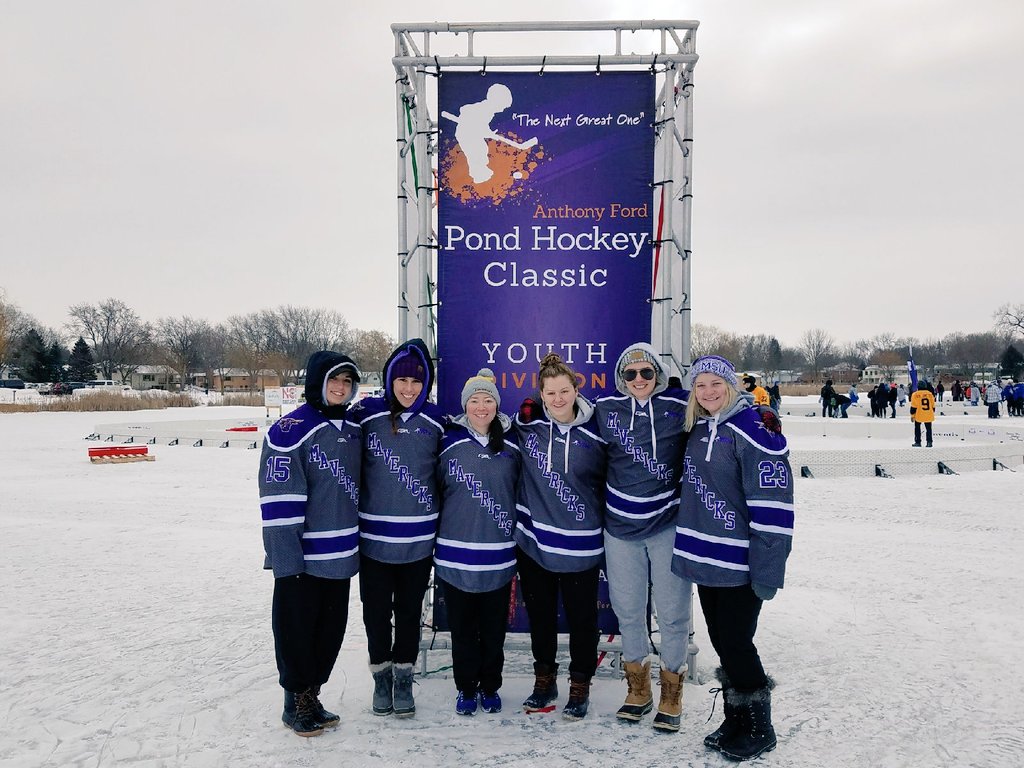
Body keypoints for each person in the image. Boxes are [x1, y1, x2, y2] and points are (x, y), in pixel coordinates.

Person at [671, 355, 793, 761]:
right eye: (700, 385)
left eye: (715, 384)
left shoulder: (756, 429)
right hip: (708, 561)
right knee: (723, 642)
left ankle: (761, 727)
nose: (707, 392)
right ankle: (736, 718)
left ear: (731, 385)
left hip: (742, 564)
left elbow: (774, 507)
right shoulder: (699, 428)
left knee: (738, 644)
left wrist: (769, 569)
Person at [259, 350, 363, 737]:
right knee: (296, 632)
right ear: (317, 382)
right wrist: (286, 560)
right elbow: (278, 501)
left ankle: (313, 695)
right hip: (302, 557)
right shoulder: (290, 429)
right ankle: (294, 702)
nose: (340, 387)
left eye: (347, 382)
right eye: (334, 379)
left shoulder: (352, 427)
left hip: (339, 556)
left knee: (329, 632)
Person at [595, 343, 692, 732]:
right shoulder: (604, 410)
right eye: (631, 374)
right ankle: (638, 689)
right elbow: (561, 412)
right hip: (619, 528)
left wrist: (763, 416)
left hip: (665, 524)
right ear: (622, 378)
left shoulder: (678, 407)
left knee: (672, 612)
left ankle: (671, 692)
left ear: (658, 375)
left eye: (646, 373)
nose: (639, 380)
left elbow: (720, 405)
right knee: (629, 610)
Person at [350, 339, 444, 719]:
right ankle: (381, 677)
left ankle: (404, 677)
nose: (409, 389)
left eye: (417, 382)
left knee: (408, 614)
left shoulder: (437, 421)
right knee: (375, 613)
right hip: (373, 541)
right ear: (390, 380)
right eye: (402, 380)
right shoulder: (366, 416)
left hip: (418, 543)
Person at [515, 353, 607, 720]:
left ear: (575, 390)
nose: (557, 399)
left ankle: (580, 684)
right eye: (550, 392)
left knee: (582, 619)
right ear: (540, 393)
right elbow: (484, 425)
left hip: (581, 543)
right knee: (540, 617)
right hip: (535, 542)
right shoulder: (525, 427)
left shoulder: (596, 430)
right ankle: (544, 680)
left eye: (564, 391)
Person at [435, 369, 521, 716]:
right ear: (465, 405)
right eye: (475, 400)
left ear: (496, 404)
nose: (481, 407)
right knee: (463, 631)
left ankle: (491, 686)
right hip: (456, 556)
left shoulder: (512, 443)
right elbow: (435, 489)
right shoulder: (448, 441)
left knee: (493, 630)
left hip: (498, 556)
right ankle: (466, 688)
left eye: (488, 400)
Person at [910, 381, 936, 447]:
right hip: (928, 414)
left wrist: (912, 415)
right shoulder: (930, 394)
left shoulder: (915, 394)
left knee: (917, 428)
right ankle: (929, 442)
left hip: (919, 414)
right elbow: (933, 405)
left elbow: (913, 407)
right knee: (929, 429)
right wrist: (932, 412)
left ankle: (918, 442)